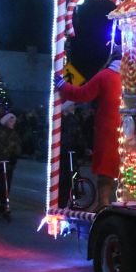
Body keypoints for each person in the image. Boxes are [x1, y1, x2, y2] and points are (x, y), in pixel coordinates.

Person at [55, 48, 122, 209]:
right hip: (130, 129)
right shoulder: (133, 78)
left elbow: (83, 94)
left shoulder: (105, 75)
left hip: (108, 129)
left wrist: (62, 85)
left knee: (106, 170)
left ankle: (103, 203)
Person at [58, 101, 88, 208]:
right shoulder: (65, 120)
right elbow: (74, 136)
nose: (72, 107)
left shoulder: (69, 119)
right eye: (70, 106)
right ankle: (68, 199)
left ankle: (71, 197)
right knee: (68, 176)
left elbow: (78, 136)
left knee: (72, 174)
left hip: (70, 152)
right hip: (66, 152)